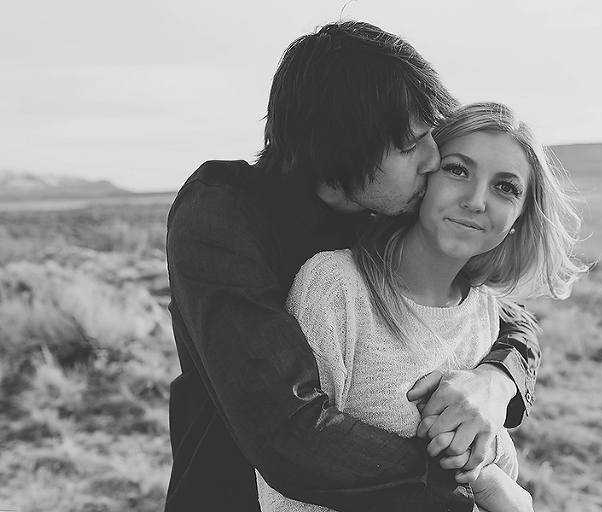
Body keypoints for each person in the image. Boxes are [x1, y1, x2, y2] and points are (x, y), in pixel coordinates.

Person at [165, 22, 541, 512]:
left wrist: (495, 381)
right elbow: (290, 433)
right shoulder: (219, 219)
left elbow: (507, 318)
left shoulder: (377, 208)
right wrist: (470, 488)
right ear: (343, 148)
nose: (433, 159)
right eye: (409, 145)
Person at [256, 102, 586, 512]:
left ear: (518, 217)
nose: (476, 201)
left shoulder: (485, 312)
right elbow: (286, 491)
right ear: (423, 176)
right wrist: (485, 489)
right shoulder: (336, 287)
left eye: (505, 187)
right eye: (458, 170)